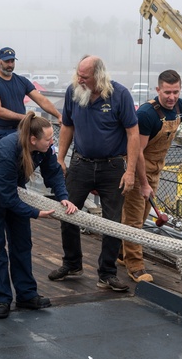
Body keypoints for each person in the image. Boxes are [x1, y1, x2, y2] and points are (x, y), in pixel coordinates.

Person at [48, 55, 139, 292]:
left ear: (98, 75)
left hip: (112, 167)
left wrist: (130, 172)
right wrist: (60, 158)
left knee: (112, 222)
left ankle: (107, 273)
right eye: (78, 74)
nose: (80, 79)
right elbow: (67, 125)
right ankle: (72, 263)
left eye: (85, 76)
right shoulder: (73, 92)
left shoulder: (120, 95)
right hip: (81, 164)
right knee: (67, 212)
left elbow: (133, 134)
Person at [0, 112, 78, 319]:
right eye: (48, 139)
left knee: (22, 243)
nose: (52, 141)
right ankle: (2, 298)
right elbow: (8, 199)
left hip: (14, 187)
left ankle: (26, 294)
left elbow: (54, 172)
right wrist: (36, 213)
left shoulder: (43, 148)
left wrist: (63, 197)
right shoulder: (6, 150)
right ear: (33, 140)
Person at [120, 69, 182, 283]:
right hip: (138, 170)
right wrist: (143, 183)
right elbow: (137, 153)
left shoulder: (180, 107)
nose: (172, 97)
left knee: (142, 216)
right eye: (167, 92)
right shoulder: (146, 114)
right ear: (158, 90)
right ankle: (134, 266)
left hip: (155, 169)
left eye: (176, 92)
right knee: (134, 220)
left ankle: (121, 253)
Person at [0, 47, 61, 142]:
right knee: (9, 156)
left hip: (22, 130)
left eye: (12, 61)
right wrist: (24, 118)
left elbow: (41, 100)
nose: (10, 64)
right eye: (7, 61)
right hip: (3, 133)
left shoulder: (22, 81)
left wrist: (59, 115)